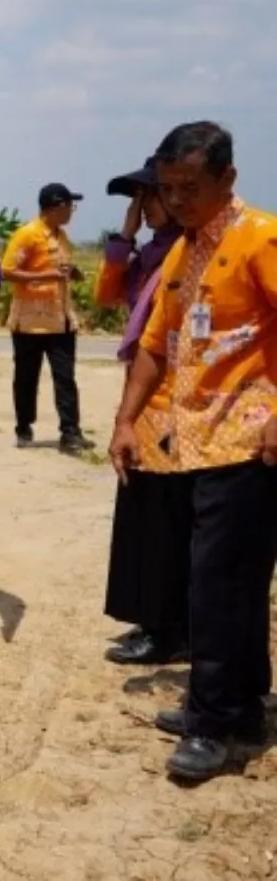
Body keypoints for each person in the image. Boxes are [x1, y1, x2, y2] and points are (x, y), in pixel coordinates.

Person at [108, 121, 277, 782]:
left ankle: (211, 723)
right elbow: (154, 343)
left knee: (217, 586)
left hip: (248, 440)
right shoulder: (184, 252)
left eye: (190, 187)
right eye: (169, 188)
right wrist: (126, 420)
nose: (177, 200)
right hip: (194, 442)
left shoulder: (259, 238)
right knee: (227, 580)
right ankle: (239, 709)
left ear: (227, 180)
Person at [95, 159, 189, 666]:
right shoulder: (153, 254)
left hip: (173, 399)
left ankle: (168, 626)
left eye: (146, 198)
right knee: (145, 512)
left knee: (163, 516)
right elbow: (108, 294)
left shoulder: (185, 252)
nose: (144, 207)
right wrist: (124, 238)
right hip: (145, 397)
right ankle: (154, 618)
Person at [0, 184, 94, 453]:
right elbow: (7, 271)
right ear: (55, 207)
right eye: (69, 206)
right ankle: (23, 426)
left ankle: (70, 432)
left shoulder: (62, 237)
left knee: (65, 378)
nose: (71, 212)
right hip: (29, 323)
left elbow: (60, 270)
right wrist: (45, 277)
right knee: (26, 377)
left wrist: (72, 273)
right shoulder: (27, 235)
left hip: (61, 320)